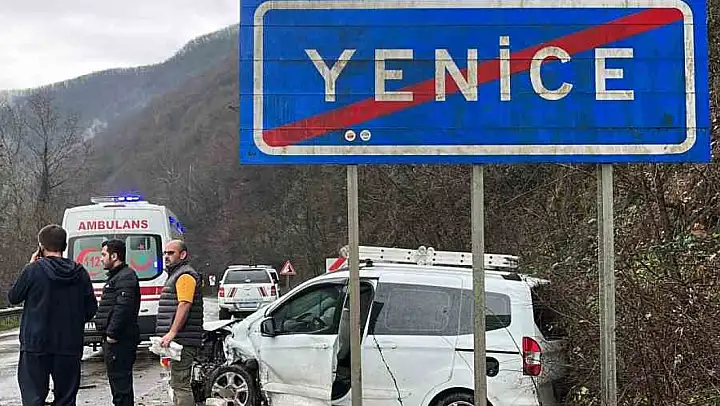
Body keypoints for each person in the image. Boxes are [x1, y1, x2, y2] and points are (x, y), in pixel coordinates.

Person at [8, 224, 97, 406]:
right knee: (66, 398)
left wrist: (30, 265)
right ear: (64, 246)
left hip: (36, 344)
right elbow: (91, 309)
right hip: (69, 344)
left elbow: (14, 297)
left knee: (33, 397)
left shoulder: (33, 270)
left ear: (41, 246)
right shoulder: (79, 273)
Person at [155, 240, 204, 406]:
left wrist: (172, 332)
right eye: (165, 253)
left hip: (183, 340)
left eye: (171, 253)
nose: (166, 256)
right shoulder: (177, 275)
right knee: (177, 383)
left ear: (182, 255)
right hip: (181, 339)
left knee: (181, 385)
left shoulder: (184, 276)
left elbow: (184, 304)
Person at [95, 239, 141, 406]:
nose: (101, 259)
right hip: (117, 340)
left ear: (114, 256)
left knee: (121, 386)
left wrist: (112, 334)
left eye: (103, 255)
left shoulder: (125, 277)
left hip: (120, 341)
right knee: (118, 385)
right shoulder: (118, 277)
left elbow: (123, 308)